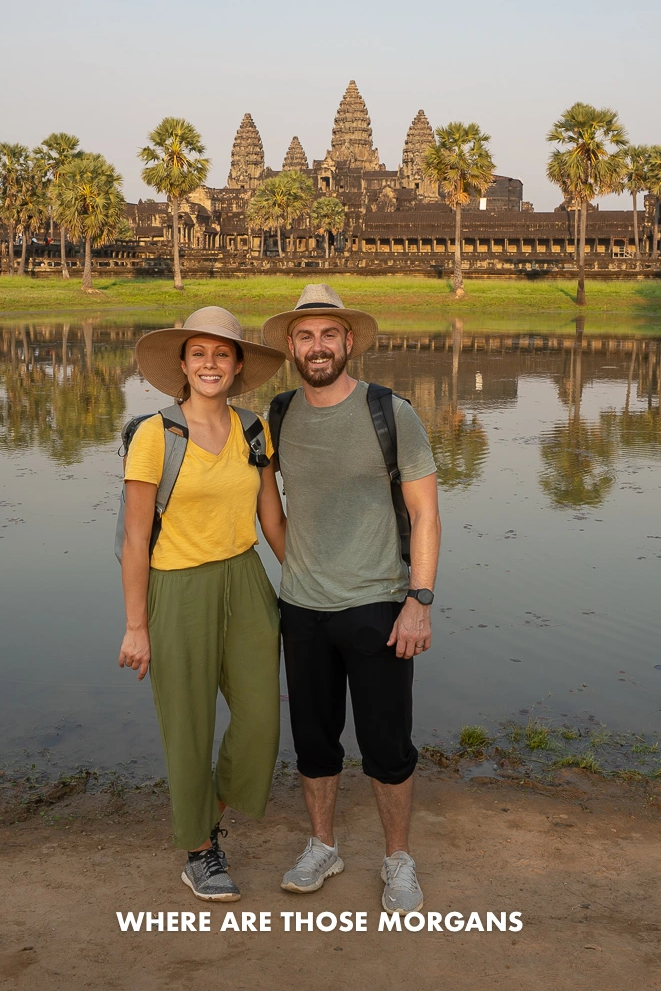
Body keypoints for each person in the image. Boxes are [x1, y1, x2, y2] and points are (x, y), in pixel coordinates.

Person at [259, 284, 442, 913]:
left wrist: (419, 598)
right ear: (290, 346)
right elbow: (271, 513)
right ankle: (323, 845)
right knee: (314, 741)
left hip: (379, 606)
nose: (317, 346)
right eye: (305, 336)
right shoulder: (277, 415)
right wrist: (303, 571)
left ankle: (397, 860)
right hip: (303, 610)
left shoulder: (390, 412)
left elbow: (425, 514)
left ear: (348, 342)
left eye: (328, 335)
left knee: (388, 746)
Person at [117, 306, 288, 902]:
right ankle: (199, 852)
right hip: (177, 586)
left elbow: (273, 520)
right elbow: (135, 539)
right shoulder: (154, 435)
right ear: (182, 366)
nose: (210, 364)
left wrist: (313, 584)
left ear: (239, 365)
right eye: (199, 354)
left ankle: (203, 814)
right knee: (188, 726)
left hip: (246, 582)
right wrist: (136, 626)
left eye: (222, 354)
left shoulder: (253, 430)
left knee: (261, 719)